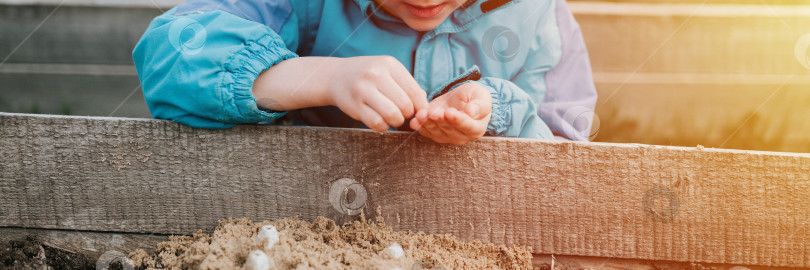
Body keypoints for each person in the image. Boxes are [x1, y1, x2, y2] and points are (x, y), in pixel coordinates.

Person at [133, 0, 597, 145]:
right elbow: (170, 48)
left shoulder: (541, 17)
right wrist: (321, 77)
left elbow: (568, 151)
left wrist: (498, 111)